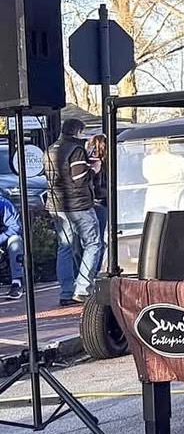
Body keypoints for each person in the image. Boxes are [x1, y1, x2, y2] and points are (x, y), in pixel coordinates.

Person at [43, 118, 102, 306]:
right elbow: (79, 179)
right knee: (93, 244)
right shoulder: (76, 150)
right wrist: (94, 169)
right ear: (77, 131)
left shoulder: (50, 149)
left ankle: (66, 292)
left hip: (57, 206)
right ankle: (82, 289)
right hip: (79, 205)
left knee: (64, 247)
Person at [87, 133, 109, 271]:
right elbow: (100, 187)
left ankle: (93, 271)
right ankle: (95, 271)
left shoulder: (89, 162)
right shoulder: (102, 164)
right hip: (101, 202)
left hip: (91, 203)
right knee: (98, 240)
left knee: (93, 239)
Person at [0, 194, 24, 300]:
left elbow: (15, 227)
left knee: (15, 241)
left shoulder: (4, 205)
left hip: (4, 240)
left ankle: (17, 282)